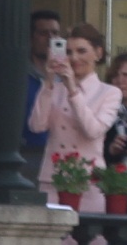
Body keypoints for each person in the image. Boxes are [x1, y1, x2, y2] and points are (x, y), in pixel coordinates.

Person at [29, 23, 120, 207]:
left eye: (82, 51)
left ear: (98, 53)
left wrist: (72, 90)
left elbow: (93, 130)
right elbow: (36, 126)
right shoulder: (54, 88)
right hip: (53, 179)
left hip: (88, 181)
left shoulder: (109, 92)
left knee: (88, 226)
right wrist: (48, 81)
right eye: (68, 52)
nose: (74, 58)